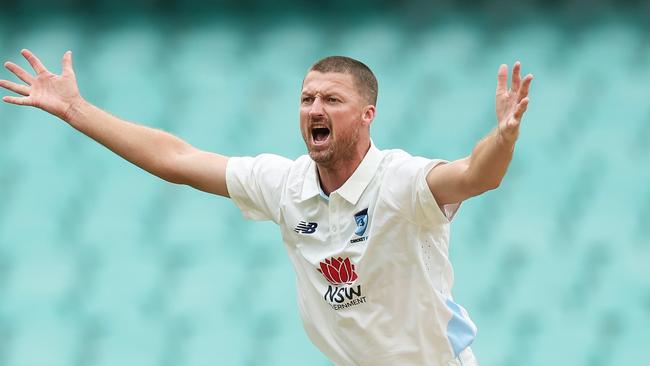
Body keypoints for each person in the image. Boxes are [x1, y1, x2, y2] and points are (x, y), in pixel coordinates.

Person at [0, 50, 532, 366]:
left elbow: (473, 175)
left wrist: (503, 139)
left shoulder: (401, 180)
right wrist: (76, 109)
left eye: (331, 100)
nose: (314, 110)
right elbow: (178, 159)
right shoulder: (285, 184)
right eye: (306, 99)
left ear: (368, 114)